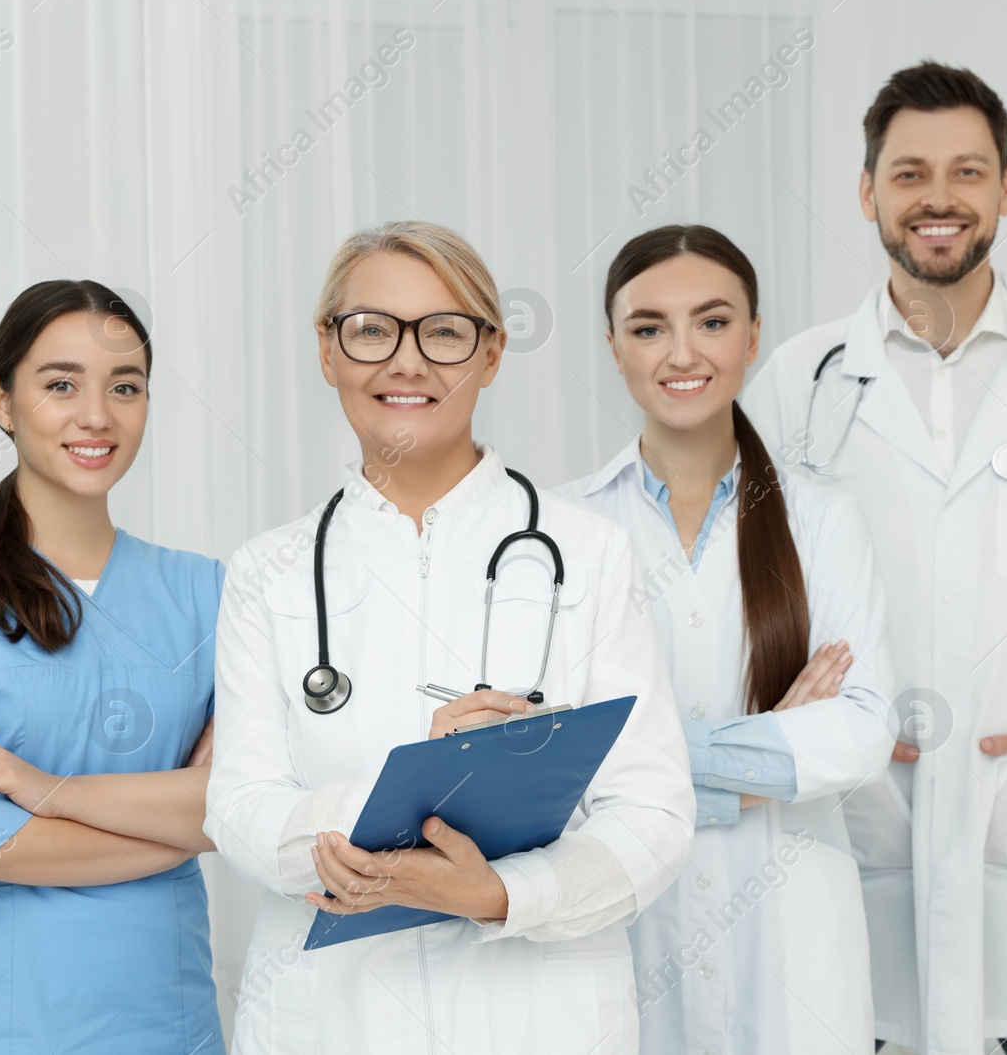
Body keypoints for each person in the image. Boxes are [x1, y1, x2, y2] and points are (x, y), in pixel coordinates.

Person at [205, 220, 695, 1054]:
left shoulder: (589, 553)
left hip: (540, 1017)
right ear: (327, 352)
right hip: (331, 1020)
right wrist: (378, 825)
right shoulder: (267, 572)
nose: (406, 360)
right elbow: (240, 804)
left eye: (443, 331)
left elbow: (652, 812)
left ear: (491, 354)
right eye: (370, 331)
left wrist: (500, 892)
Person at [745, 62, 1007, 1053]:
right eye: (909, 173)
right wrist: (823, 732)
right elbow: (750, 593)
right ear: (867, 193)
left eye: (966, 171)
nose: (938, 198)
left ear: (1005, 186)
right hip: (866, 839)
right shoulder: (799, 378)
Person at [556, 224, 895, 1052]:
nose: (682, 352)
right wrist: (775, 740)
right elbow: (548, 754)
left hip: (796, 946)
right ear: (613, 347)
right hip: (627, 932)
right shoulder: (561, 528)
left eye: (711, 322)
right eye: (648, 327)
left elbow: (861, 729)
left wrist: (642, 762)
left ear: (752, 336)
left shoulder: (823, 518)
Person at [0, 280, 225, 1054]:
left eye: (124, 387)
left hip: (157, 1017)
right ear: (2, 399)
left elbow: (248, 796)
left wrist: (44, 790)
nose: (96, 415)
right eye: (60, 384)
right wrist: (184, 828)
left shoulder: (208, 593)